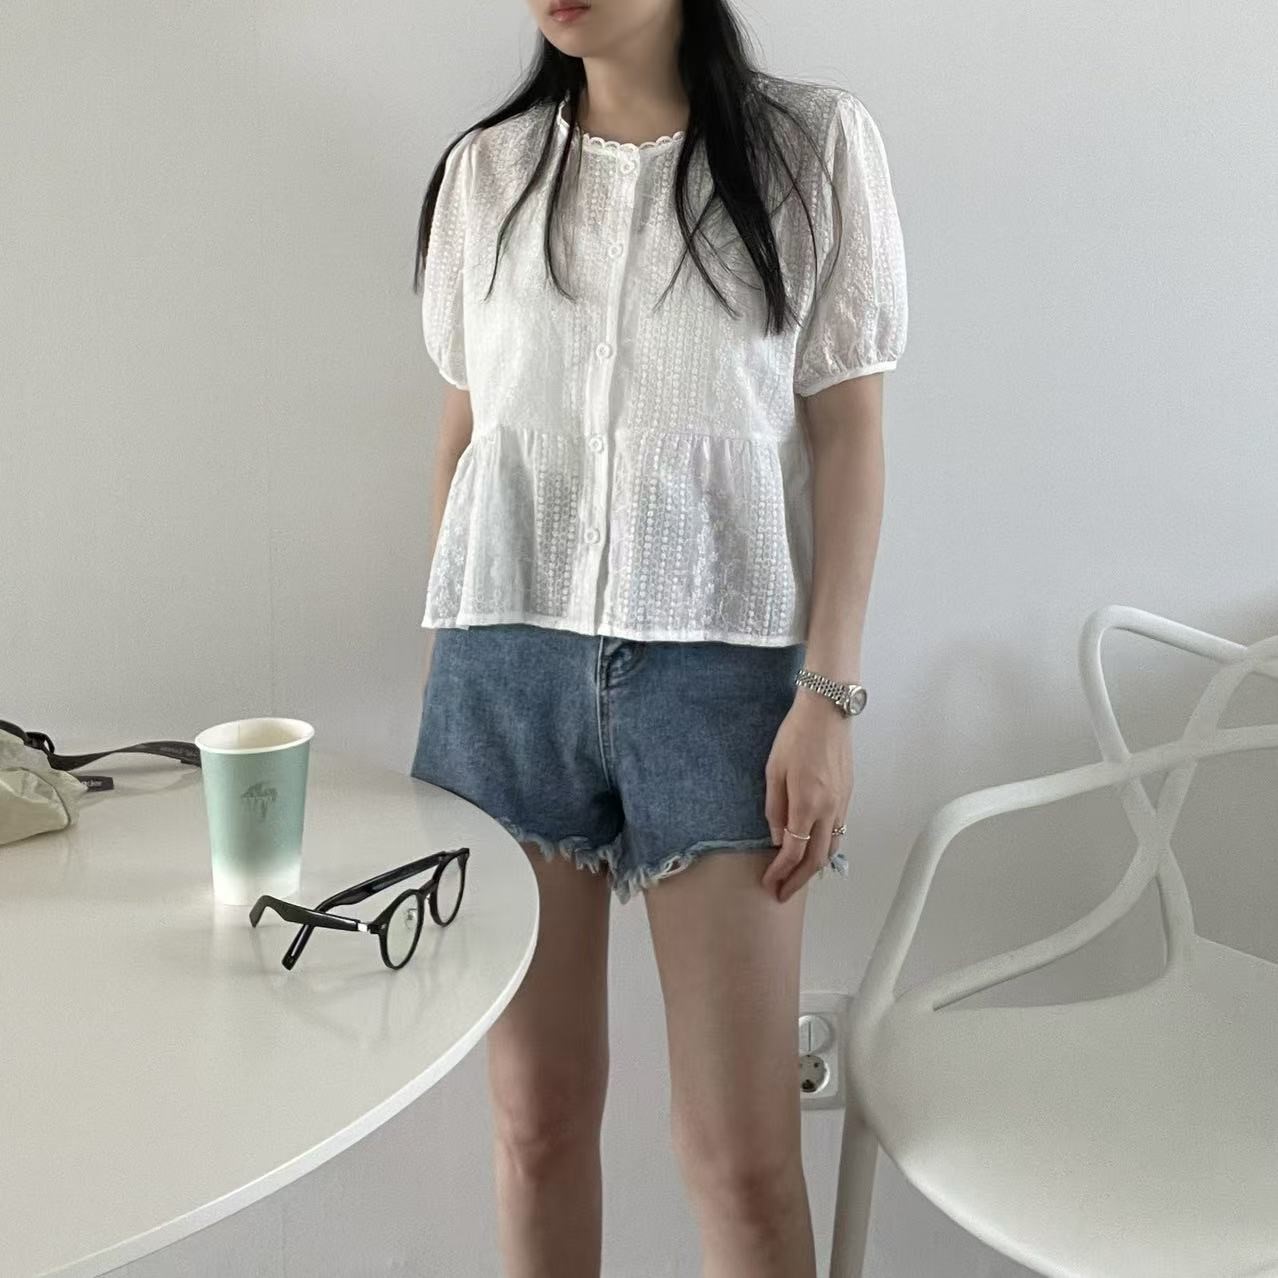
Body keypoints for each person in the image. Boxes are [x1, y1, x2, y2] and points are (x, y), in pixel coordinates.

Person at [409, 1, 907, 1273]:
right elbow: (469, 433)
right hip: (503, 672)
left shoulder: (811, 150)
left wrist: (829, 696)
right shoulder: (487, 175)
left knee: (741, 1160)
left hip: (726, 681)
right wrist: (451, 666)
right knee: (534, 1123)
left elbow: (849, 437)